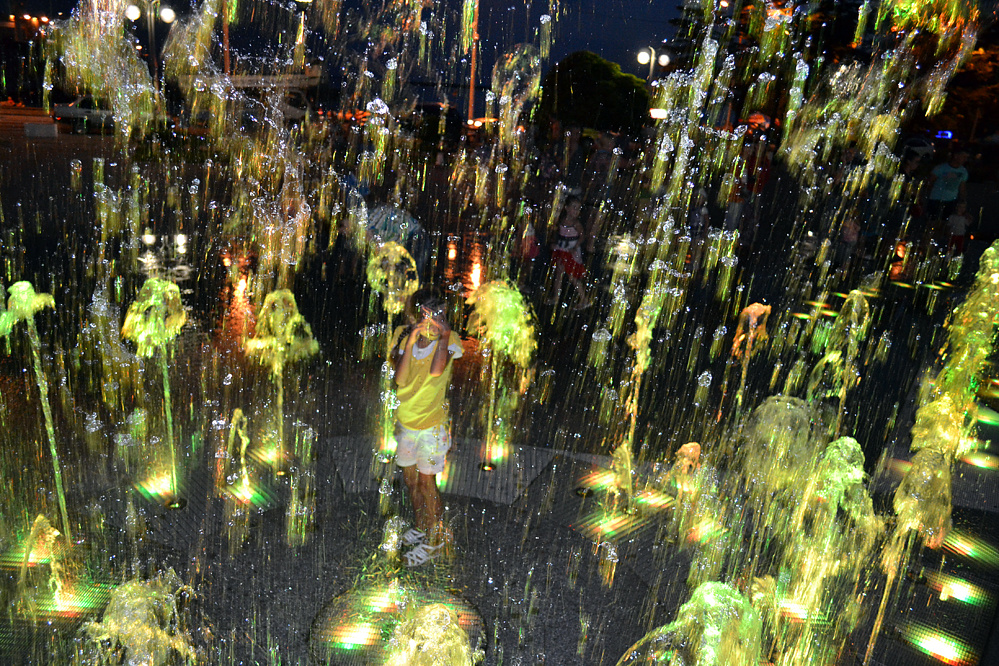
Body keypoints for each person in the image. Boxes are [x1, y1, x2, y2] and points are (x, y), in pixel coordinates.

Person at [390, 288, 463, 566]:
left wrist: (442, 336)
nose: (434, 320)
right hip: (406, 422)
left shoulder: (450, 339)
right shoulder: (403, 335)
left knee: (426, 482)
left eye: (440, 314)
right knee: (411, 481)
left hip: (432, 427)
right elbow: (400, 379)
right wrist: (411, 340)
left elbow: (436, 371)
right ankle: (422, 525)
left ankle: (435, 540)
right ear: (414, 315)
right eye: (428, 314)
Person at [547, 196, 590, 310]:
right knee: (559, 273)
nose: (576, 211)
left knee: (572, 276)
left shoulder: (576, 224)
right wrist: (554, 242)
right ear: (566, 208)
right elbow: (558, 234)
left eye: (578, 209)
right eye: (574, 208)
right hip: (562, 250)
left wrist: (575, 247)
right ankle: (556, 297)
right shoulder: (562, 221)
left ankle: (584, 299)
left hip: (571, 251)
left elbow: (582, 236)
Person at [924, 149, 969, 224]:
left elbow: (962, 188)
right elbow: (930, 182)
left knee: (946, 223)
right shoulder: (941, 168)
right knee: (932, 222)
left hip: (951, 201)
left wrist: (962, 201)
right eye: (963, 157)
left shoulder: (963, 171)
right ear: (956, 156)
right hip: (936, 199)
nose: (965, 159)